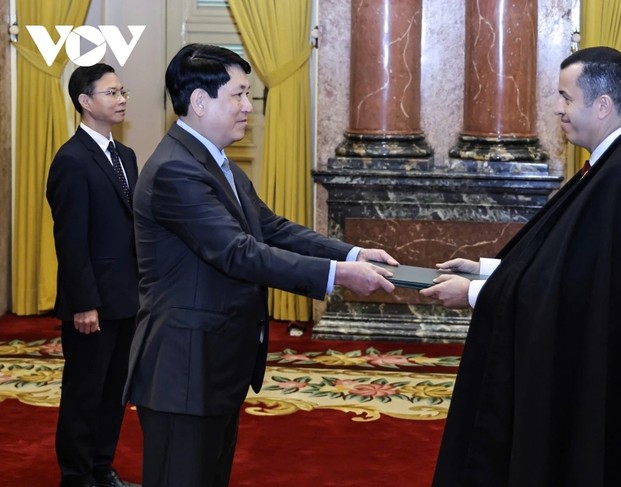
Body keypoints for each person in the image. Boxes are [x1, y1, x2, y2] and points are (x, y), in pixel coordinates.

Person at [422, 46, 621, 486]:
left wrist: (473, 293)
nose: (557, 108)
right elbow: (570, 259)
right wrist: (487, 271)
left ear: (602, 105)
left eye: (566, 97)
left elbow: (578, 290)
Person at [122, 43, 398, 487]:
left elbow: (270, 228)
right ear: (199, 101)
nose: (249, 106)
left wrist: (350, 254)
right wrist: (337, 276)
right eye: (239, 94)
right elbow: (238, 252)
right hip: (183, 368)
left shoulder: (214, 162)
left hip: (213, 363)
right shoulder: (176, 170)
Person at [46, 64, 140, 487]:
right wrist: (84, 303)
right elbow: (71, 240)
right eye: (111, 93)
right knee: (84, 392)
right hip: (92, 303)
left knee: (115, 390)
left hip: (126, 297)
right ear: (85, 101)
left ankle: (102, 468)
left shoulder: (126, 156)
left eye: (122, 91)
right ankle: (77, 475)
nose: (121, 99)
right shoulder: (71, 160)